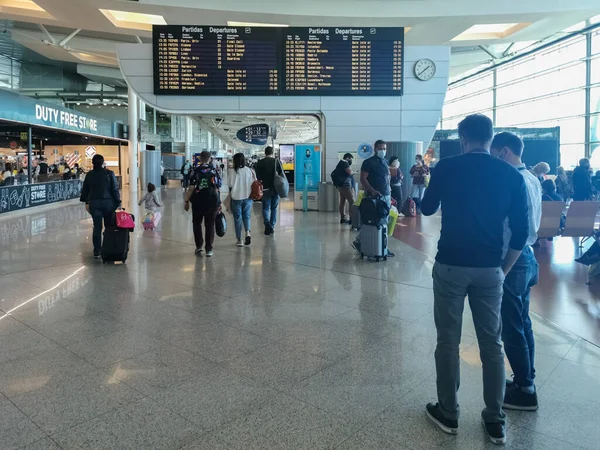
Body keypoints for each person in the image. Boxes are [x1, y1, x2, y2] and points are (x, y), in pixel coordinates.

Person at [421, 114, 529, 445]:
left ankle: (449, 412)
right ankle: (495, 420)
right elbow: (521, 233)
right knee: (492, 345)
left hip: (451, 264)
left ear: (463, 139)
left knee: (448, 341)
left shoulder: (447, 167)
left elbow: (426, 209)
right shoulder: (511, 174)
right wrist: (503, 269)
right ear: (490, 138)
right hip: (489, 269)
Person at [490, 132, 542, 412]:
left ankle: (525, 391)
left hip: (514, 259)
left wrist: (503, 268)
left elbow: (514, 229)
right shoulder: (533, 178)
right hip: (528, 257)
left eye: (494, 153)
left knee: (512, 327)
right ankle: (526, 379)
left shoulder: (515, 180)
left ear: (504, 152)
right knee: (523, 322)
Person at [351, 139, 395, 257]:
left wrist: (390, 193)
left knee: (383, 221)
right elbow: (363, 178)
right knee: (373, 220)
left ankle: (381, 246)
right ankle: (365, 242)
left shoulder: (384, 162)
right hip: (373, 197)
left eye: (384, 149)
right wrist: (372, 190)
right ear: (375, 149)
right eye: (380, 148)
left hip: (385, 195)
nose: (383, 151)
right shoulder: (368, 162)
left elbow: (387, 179)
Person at [79, 154, 121, 259]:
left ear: (93, 163)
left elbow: (85, 190)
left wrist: (86, 202)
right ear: (103, 162)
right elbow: (115, 189)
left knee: (97, 227)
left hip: (94, 204)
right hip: (108, 204)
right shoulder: (109, 173)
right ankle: (108, 248)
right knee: (109, 227)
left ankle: (97, 251)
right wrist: (118, 202)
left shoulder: (89, 175)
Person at [184, 151, 221, 257]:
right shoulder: (214, 171)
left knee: (197, 223)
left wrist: (186, 201)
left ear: (200, 159)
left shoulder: (195, 171)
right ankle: (209, 249)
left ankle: (199, 246)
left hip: (198, 201)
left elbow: (191, 188)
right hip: (212, 201)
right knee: (210, 225)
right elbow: (217, 188)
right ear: (210, 159)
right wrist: (219, 202)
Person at [255, 146, 284, 236]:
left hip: (265, 188)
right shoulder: (276, 161)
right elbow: (281, 174)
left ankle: (267, 223)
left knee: (265, 208)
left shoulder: (259, 163)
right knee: (274, 208)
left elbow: (258, 176)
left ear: (265, 153)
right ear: (272, 153)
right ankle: (272, 225)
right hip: (276, 188)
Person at [228, 153, 254, 247]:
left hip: (236, 198)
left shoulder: (232, 171)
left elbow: (230, 185)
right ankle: (247, 233)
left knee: (237, 218)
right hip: (248, 197)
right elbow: (252, 183)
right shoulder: (249, 170)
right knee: (246, 216)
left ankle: (239, 239)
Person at [332, 153, 355, 224]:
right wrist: (354, 172)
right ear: (347, 158)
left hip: (340, 186)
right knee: (352, 201)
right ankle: (352, 218)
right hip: (345, 186)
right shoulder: (345, 163)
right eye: (351, 159)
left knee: (342, 201)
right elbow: (350, 172)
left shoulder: (340, 164)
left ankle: (343, 217)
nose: (351, 161)